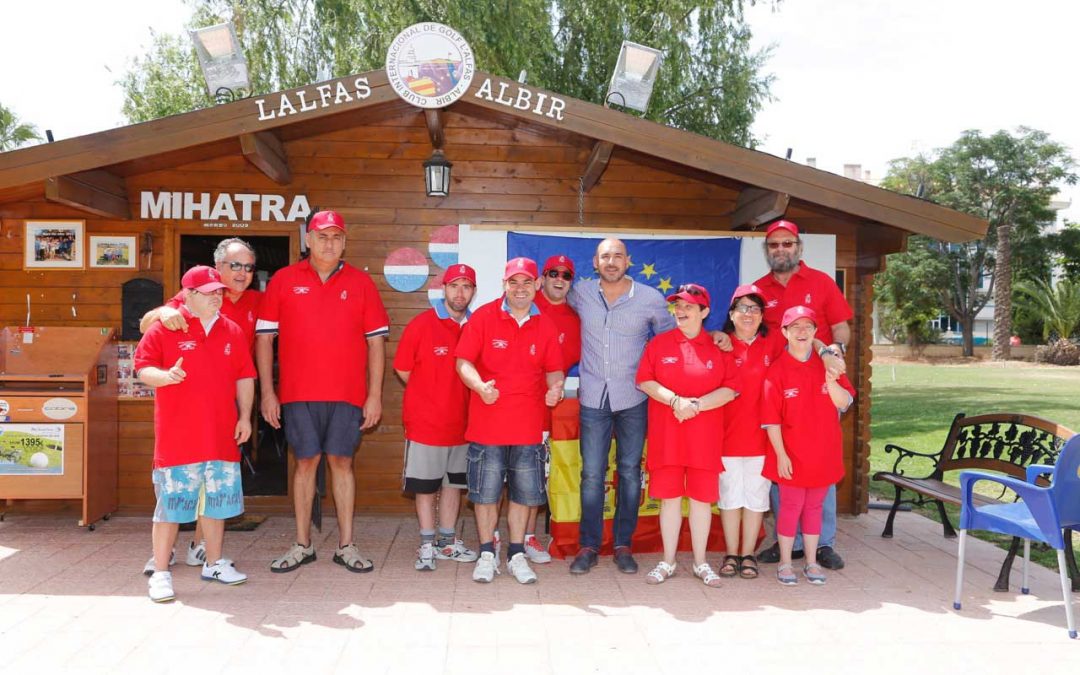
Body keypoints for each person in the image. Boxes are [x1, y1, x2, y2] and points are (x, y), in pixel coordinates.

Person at [256, 210, 390, 574]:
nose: (329, 243)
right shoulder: (283, 280)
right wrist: (268, 393)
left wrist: (374, 395)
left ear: (344, 242)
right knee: (304, 463)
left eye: (336, 237)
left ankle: (346, 545)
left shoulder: (362, 283)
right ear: (308, 240)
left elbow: (376, 344)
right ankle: (303, 544)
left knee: (342, 463)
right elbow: (265, 340)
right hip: (298, 394)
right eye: (322, 236)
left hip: (348, 394)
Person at [138, 237, 262, 575]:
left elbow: (245, 375)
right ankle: (161, 565)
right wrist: (164, 375)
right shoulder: (171, 320)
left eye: (248, 267)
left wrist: (246, 417)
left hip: (221, 431)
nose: (217, 296)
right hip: (179, 434)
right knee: (173, 504)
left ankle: (209, 558)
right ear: (188, 295)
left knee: (217, 501)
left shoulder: (235, 325)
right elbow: (143, 362)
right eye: (209, 292)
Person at [567, 238, 675, 575]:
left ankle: (622, 545)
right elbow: (552, 295)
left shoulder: (650, 299)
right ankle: (588, 546)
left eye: (617, 256)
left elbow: (672, 337)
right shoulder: (580, 292)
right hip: (593, 399)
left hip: (634, 398)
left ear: (628, 261)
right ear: (595, 262)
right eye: (604, 257)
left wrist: (717, 337)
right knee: (591, 474)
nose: (611, 262)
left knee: (629, 473)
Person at [455, 257, 564, 584]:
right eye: (513, 282)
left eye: (527, 282)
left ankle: (516, 553)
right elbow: (462, 362)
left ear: (537, 286)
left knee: (523, 495)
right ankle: (487, 552)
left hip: (529, 428)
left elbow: (555, 369)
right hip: (488, 426)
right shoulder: (484, 318)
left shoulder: (545, 325)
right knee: (485, 494)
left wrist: (555, 388)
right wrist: (479, 386)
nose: (520, 288)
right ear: (504, 284)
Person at [754, 219, 853, 570]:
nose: (781, 250)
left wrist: (835, 352)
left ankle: (822, 543)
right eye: (774, 245)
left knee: (820, 463)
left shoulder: (821, 282)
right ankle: (791, 542)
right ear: (767, 251)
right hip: (780, 387)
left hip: (820, 384)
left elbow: (841, 327)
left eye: (787, 244)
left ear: (799, 247)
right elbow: (742, 324)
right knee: (784, 466)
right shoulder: (757, 289)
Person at [636, 283, 738, 587]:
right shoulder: (659, 344)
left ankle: (700, 562)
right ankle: (667, 561)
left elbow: (730, 389)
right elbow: (644, 380)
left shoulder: (718, 347)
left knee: (700, 501)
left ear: (704, 312)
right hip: (668, 437)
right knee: (668, 500)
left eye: (689, 307)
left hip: (704, 438)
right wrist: (674, 401)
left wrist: (696, 405)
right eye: (678, 306)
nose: (681, 312)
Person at [393, 264, 480, 571]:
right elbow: (403, 369)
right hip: (426, 424)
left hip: (464, 426)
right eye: (454, 285)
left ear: (473, 291)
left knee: (455, 486)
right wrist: (428, 395)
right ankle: (427, 545)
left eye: (466, 286)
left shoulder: (476, 326)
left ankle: (446, 543)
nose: (460, 292)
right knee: (426, 488)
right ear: (443, 288)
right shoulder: (421, 325)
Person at [761, 306, 855, 585]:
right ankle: (786, 563)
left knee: (814, 508)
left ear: (815, 332)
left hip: (823, 453)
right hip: (791, 454)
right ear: (785, 332)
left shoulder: (829, 364)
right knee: (790, 507)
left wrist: (831, 380)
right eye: (795, 327)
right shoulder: (777, 370)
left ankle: (812, 562)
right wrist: (780, 454)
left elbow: (844, 402)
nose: (802, 332)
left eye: (807, 327)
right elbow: (771, 420)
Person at [712, 284, 785, 580]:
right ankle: (731, 554)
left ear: (762, 315)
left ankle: (748, 555)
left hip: (762, 438)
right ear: (731, 313)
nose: (748, 313)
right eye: (742, 307)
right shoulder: (720, 344)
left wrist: (830, 352)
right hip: (725, 437)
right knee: (730, 498)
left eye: (755, 308)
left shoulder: (774, 344)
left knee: (756, 499)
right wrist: (712, 335)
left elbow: (805, 342)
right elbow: (692, 340)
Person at [520, 254, 582, 564]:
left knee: (534, 474)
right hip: (511, 405)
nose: (559, 278)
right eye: (553, 273)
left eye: (566, 275)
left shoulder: (575, 319)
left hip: (547, 410)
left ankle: (529, 536)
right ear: (541, 278)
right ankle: (494, 535)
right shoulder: (524, 306)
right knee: (501, 474)